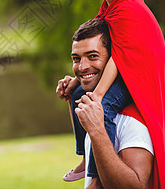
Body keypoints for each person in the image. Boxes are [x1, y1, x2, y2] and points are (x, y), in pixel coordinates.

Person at [59, 0, 165, 188]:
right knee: (78, 94)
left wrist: (99, 94)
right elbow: (97, 49)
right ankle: (85, 158)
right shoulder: (109, 7)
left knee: (99, 106)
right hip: (126, 71)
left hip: (138, 75)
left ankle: (94, 178)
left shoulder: (128, 7)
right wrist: (78, 81)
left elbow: (118, 56)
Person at [57, 19, 154, 189]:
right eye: (76, 59)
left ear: (113, 61)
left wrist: (97, 130)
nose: (82, 67)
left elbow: (135, 187)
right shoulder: (93, 112)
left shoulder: (132, 122)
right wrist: (74, 89)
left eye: (93, 56)